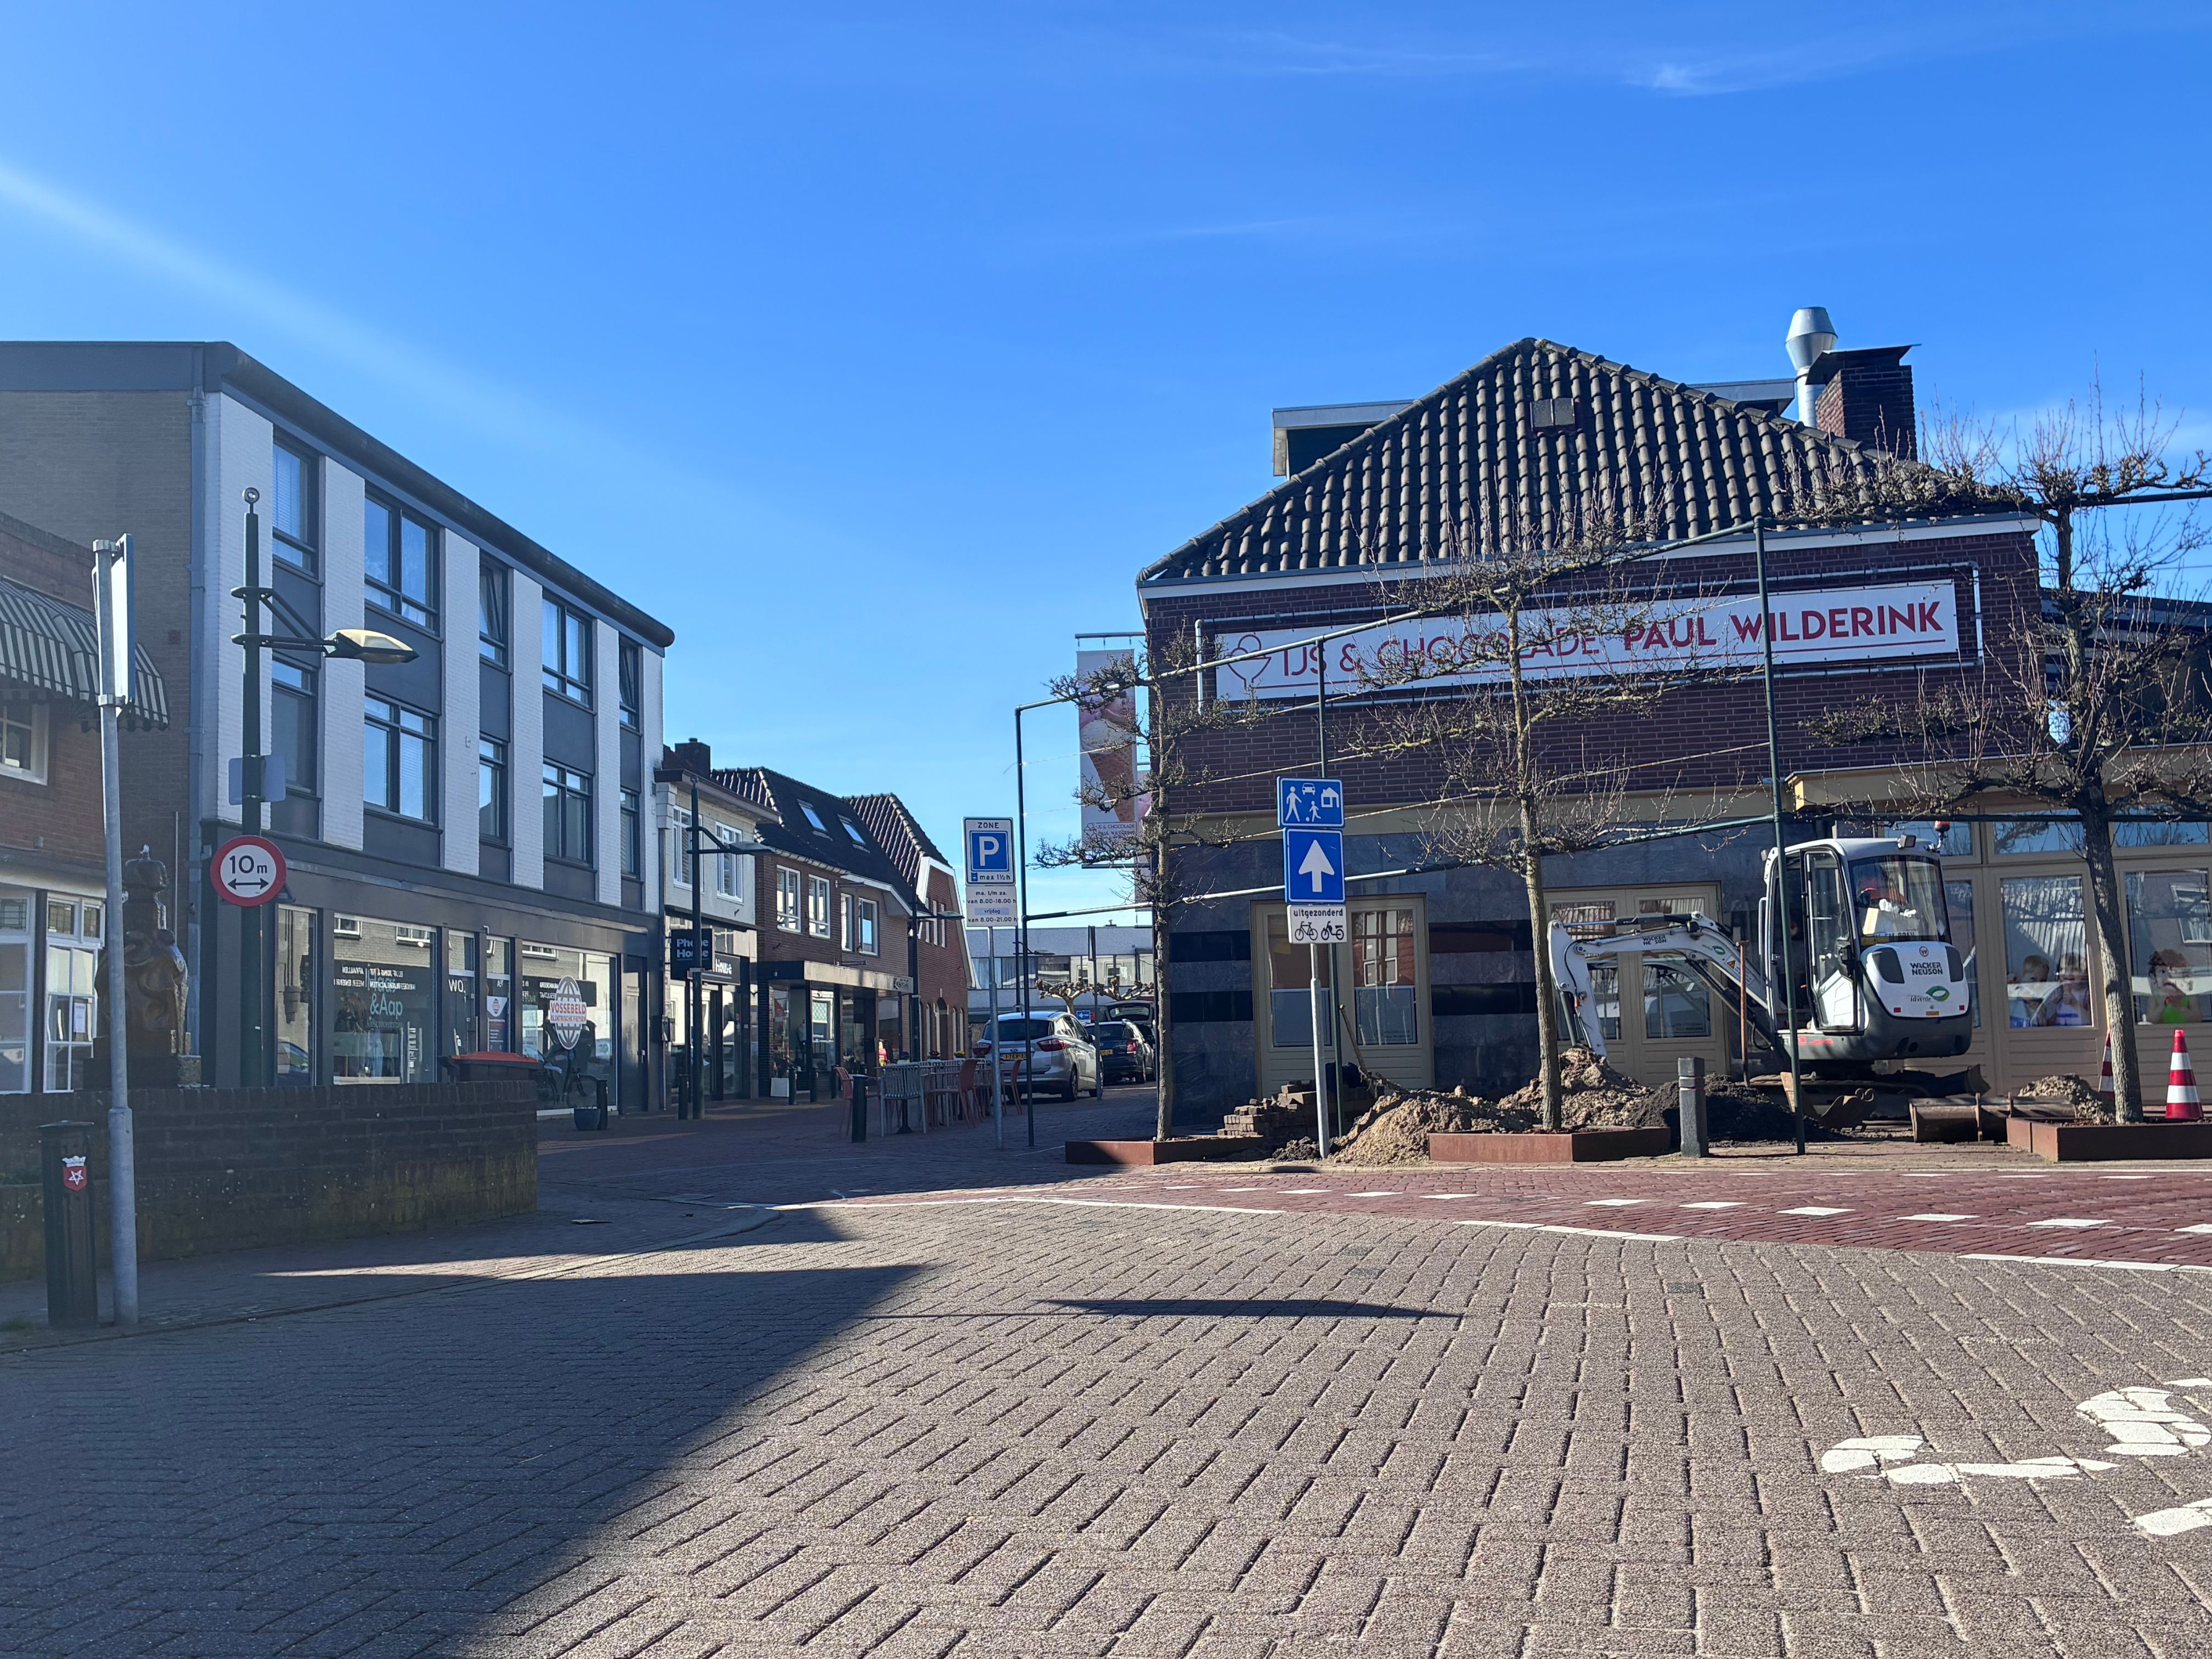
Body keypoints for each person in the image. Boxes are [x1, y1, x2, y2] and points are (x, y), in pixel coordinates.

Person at [2010, 953, 2053, 1028]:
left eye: (2042, 982)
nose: (2038, 985)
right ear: (2022, 977)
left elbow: (2044, 1030)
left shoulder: (2043, 1004)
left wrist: (2040, 1015)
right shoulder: (2013, 998)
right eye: (2033, 980)